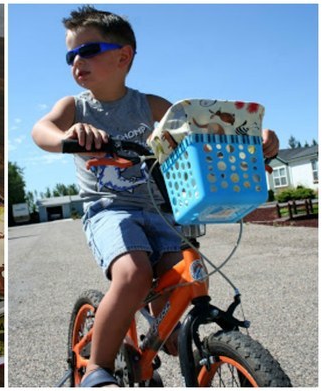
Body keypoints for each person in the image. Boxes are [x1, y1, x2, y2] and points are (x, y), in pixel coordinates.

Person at [31, 6, 279, 387]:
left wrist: (255, 145)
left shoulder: (153, 108)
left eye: (88, 50)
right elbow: (41, 130)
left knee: (183, 280)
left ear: (123, 56)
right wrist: (68, 137)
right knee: (133, 275)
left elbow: (202, 141)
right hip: (110, 210)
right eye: (71, 55)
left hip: (162, 212)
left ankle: (161, 347)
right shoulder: (76, 107)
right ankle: (97, 369)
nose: (76, 61)